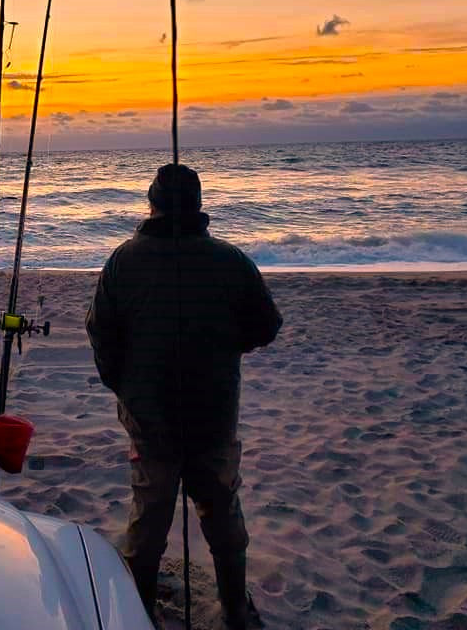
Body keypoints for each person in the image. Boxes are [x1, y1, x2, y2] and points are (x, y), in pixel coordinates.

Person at [86, 164, 282, 629]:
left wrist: (125, 388)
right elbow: (266, 326)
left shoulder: (122, 261)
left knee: (149, 513)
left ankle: (142, 608)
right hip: (213, 410)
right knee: (220, 509)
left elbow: (101, 336)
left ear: (151, 204)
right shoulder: (230, 260)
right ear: (198, 206)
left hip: (149, 415)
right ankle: (234, 608)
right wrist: (228, 344)